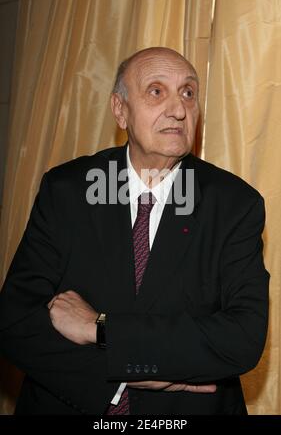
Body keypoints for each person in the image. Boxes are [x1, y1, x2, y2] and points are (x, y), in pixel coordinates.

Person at [0, 47, 269, 415]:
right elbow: (16, 320)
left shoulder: (236, 204)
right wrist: (133, 372)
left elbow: (241, 338)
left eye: (188, 93)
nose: (178, 109)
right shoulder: (67, 189)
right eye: (156, 91)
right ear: (120, 110)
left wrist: (100, 328)